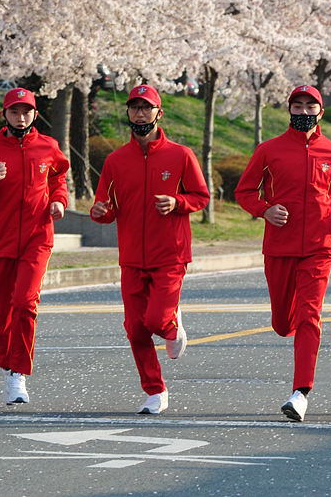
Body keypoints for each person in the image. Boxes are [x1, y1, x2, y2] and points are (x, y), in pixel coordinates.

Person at [236, 84, 331, 422]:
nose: (305, 112)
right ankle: (287, 325)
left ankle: (301, 392)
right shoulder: (269, 151)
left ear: (320, 112)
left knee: (310, 316)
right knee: (283, 323)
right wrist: (265, 210)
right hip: (279, 247)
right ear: (289, 110)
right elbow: (245, 190)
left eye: (311, 107)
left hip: (320, 248)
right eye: (299, 106)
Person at [89, 84, 210, 414]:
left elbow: (201, 196)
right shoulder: (115, 160)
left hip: (170, 253)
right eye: (134, 107)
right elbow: (106, 204)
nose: (140, 113)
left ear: (159, 113)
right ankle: (155, 391)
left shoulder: (181, 155)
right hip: (131, 256)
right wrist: (101, 213)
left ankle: (171, 325)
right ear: (128, 112)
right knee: (135, 328)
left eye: (147, 108)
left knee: (156, 320)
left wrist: (177, 202)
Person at [0, 87, 69, 405]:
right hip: (1, 241)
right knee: (2, 310)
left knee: (25, 302)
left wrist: (60, 201)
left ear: (35, 114)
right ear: (4, 115)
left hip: (38, 237)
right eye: (14, 112)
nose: (20, 118)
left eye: (26, 112)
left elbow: (58, 177)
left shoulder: (48, 146)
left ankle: (17, 374)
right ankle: (9, 366)